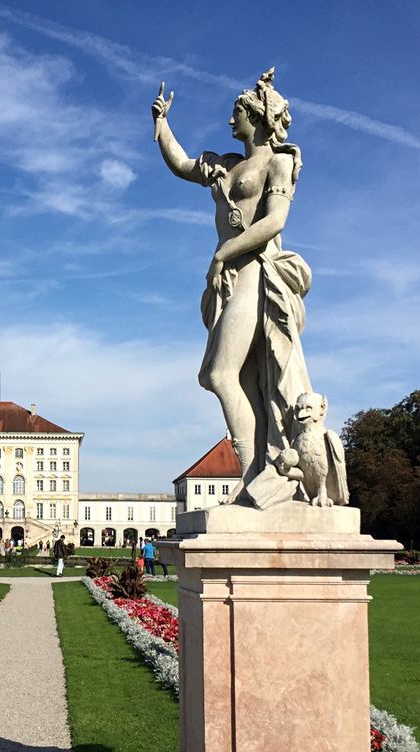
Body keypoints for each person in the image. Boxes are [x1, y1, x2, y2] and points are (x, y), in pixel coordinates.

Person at [153, 69, 313, 505]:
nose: (230, 121)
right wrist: (162, 126)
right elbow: (184, 165)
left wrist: (223, 253)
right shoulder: (226, 164)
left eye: (237, 113)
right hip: (228, 280)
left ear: (259, 117)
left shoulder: (278, 162)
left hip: (255, 273)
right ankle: (259, 468)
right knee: (236, 377)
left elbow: (275, 221)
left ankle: (253, 474)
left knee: (220, 373)